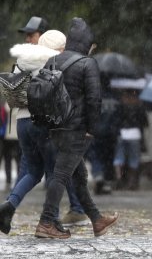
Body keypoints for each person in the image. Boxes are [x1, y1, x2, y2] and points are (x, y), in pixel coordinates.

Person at [35, 17, 119, 239]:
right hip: (77, 129)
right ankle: (46, 223)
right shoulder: (87, 63)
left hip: (56, 128)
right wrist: (92, 128)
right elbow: (94, 100)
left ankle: (97, 219)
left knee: (78, 176)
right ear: (85, 43)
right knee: (61, 175)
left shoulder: (53, 60)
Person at [18, 16, 89, 227]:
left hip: (50, 123)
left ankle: (59, 214)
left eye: (32, 35)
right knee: (54, 168)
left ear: (42, 36)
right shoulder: (34, 59)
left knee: (54, 169)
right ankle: (75, 210)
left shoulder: (55, 60)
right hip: (44, 122)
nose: (29, 39)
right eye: (27, 35)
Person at [0, 30, 65, 234]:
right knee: (55, 171)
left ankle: (9, 206)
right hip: (41, 121)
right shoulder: (49, 60)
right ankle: (51, 221)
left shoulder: (23, 59)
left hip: (21, 122)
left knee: (33, 171)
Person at [112, 89, 148, 190]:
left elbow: (115, 120)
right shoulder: (139, 106)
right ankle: (131, 182)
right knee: (134, 159)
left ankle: (119, 177)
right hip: (135, 134)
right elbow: (145, 123)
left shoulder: (120, 105)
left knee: (119, 157)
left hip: (122, 133)